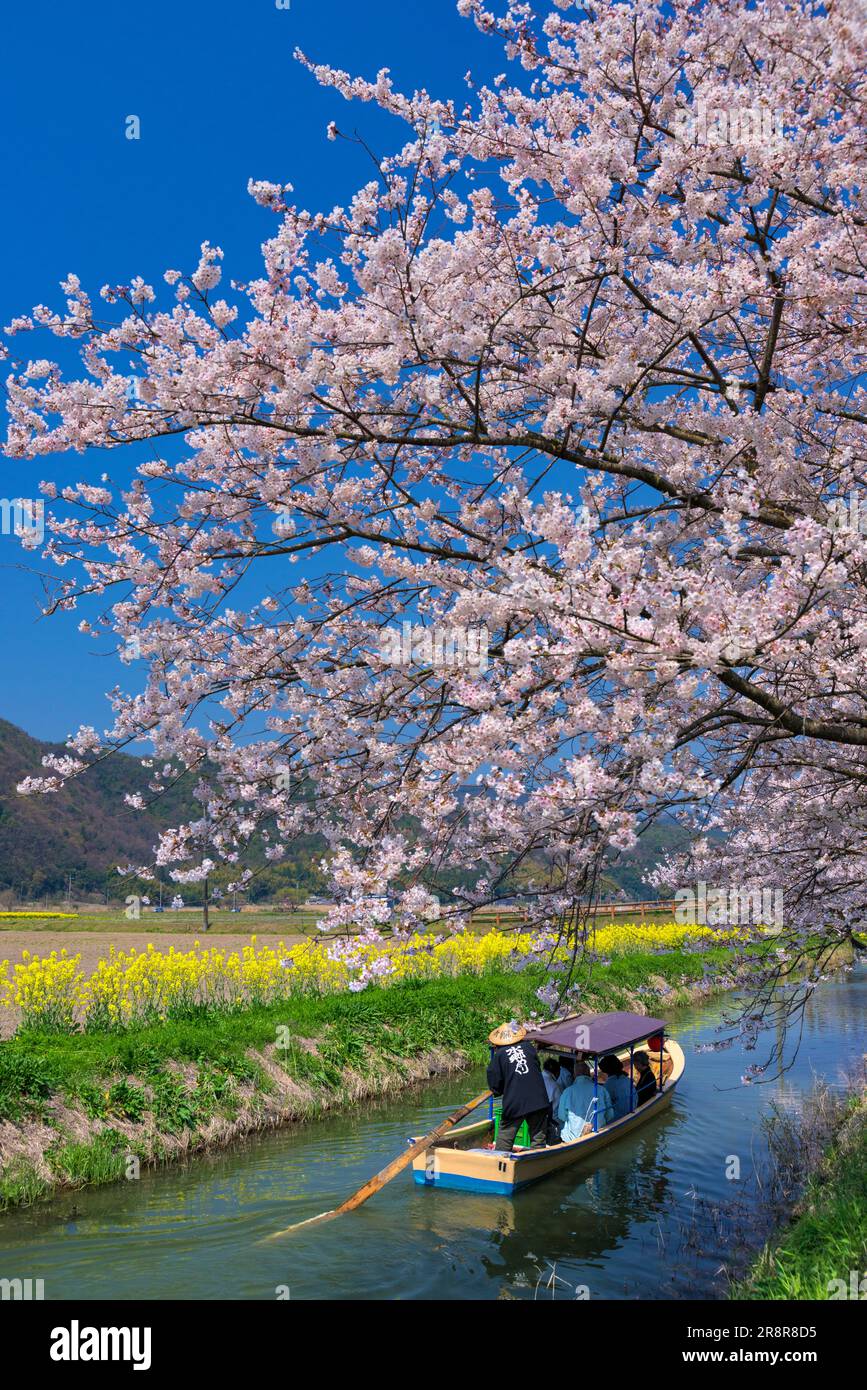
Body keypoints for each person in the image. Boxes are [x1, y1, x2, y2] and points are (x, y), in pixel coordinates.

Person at [486, 1021, 550, 1152]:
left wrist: (499, 1090)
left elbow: (495, 1084)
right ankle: (537, 1161)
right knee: (538, 1139)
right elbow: (536, 1066)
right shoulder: (529, 1048)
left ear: (498, 1043)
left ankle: (500, 1161)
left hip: (515, 1102)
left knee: (505, 1138)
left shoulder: (499, 1056)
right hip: (538, 1099)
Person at [557, 1060, 614, 1141]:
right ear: (588, 1074)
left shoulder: (567, 1092)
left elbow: (562, 1116)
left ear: (575, 1075)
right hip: (598, 1133)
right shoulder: (601, 1090)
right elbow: (610, 1115)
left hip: (573, 1139)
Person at [599, 1054, 637, 1119]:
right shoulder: (626, 1079)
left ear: (606, 1070)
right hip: (634, 1107)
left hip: (621, 1115)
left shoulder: (609, 1084)